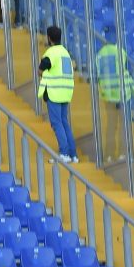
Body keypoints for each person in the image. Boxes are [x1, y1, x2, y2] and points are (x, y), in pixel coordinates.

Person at [39, 24, 78, 164]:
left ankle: (64, 153)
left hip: (54, 92)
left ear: (49, 38)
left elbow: (41, 69)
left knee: (57, 123)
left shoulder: (51, 53)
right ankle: (73, 154)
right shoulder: (65, 53)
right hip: (66, 92)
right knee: (64, 122)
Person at [96, 36, 134, 164]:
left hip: (108, 94)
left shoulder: (100, 54)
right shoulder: (121, 51)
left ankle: (108, 155)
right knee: (124, 125)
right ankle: (122, 153)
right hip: (122, 93)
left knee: (111, 125)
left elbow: (98, 74)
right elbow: (125, 71)